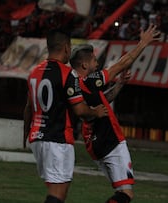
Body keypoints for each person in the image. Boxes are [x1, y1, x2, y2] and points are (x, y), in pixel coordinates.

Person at [69, 24, 160, 203]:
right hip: (108, 139)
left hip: (95, 141)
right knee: (126, 194)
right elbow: (122, 64)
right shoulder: (89, 81)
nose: (97, 63)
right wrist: (143, 43)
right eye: (94, 60)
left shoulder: (75, 84)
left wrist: (119, 85)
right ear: (84, 64)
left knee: (121, 190)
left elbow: (103, 100)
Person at [23, 29, 108, 203]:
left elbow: (28, 109)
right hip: (57, 139)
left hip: (37, 138)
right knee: (57, 193)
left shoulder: (34, 72)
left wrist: (25, 135)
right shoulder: (68, 74)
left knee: (58, 192)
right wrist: (96, 111)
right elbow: (79, 110)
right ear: (66, 48)